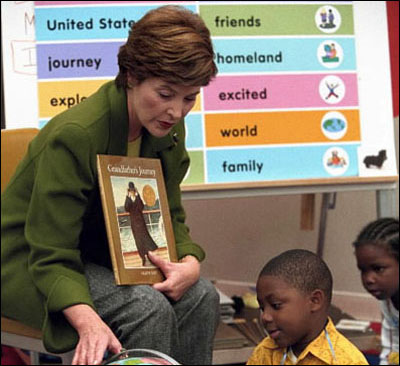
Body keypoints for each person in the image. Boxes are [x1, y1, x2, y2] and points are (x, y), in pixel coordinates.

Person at [1, 5, 219, 365]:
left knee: (202, 295)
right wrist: (86, 319)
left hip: (100, 257)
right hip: (31, 263)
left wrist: (190, 262)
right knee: (145, 308)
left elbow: (171, 217)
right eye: (165, 94)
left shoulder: (166, 128)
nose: (177, 112)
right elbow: (50, 252)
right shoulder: (77, 136)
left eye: (189, 98)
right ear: (132, 76)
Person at [247, 249, 369, 365]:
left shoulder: (346, 361)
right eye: (262, 308)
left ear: (315, 301)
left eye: (276, 305)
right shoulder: (265, 352)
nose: (265, 317)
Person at [353, 218, 399, 365]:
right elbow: (393, 348)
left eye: (378, 269)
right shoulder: (388, 300)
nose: (368, 279)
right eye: (363, 270)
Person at [124, 181, 158, 267]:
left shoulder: (137, 198)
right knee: (138, 241)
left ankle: (149, 256)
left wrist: (138, 195)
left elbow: (142, 207)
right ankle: (143, 257)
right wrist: (127, 197)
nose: (132, 192)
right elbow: (127, 208)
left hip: (141, 222)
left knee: (145, 238)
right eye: (130, 191)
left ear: (135, 191)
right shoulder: (128, 199)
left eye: (133, 190)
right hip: (134, 224)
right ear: (129, 191)